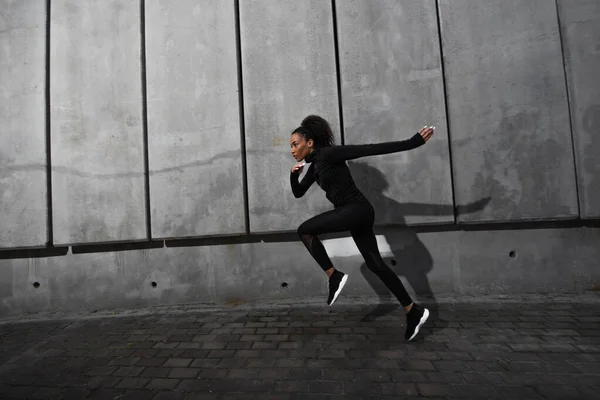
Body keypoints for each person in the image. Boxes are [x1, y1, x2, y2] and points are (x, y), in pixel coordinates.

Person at [289, 115, 435, 341]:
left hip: (355, 210)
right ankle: (412, 310)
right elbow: (298, 193)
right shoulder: (315, 167)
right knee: (376, 264)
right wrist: (293, 177)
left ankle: (334, 276)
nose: (292, 150)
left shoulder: (329, 154)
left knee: (305, 230)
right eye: (291, 146)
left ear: (310, 142)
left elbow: (369, 149)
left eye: (295, 144)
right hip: (357, 213)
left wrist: (413, 142)